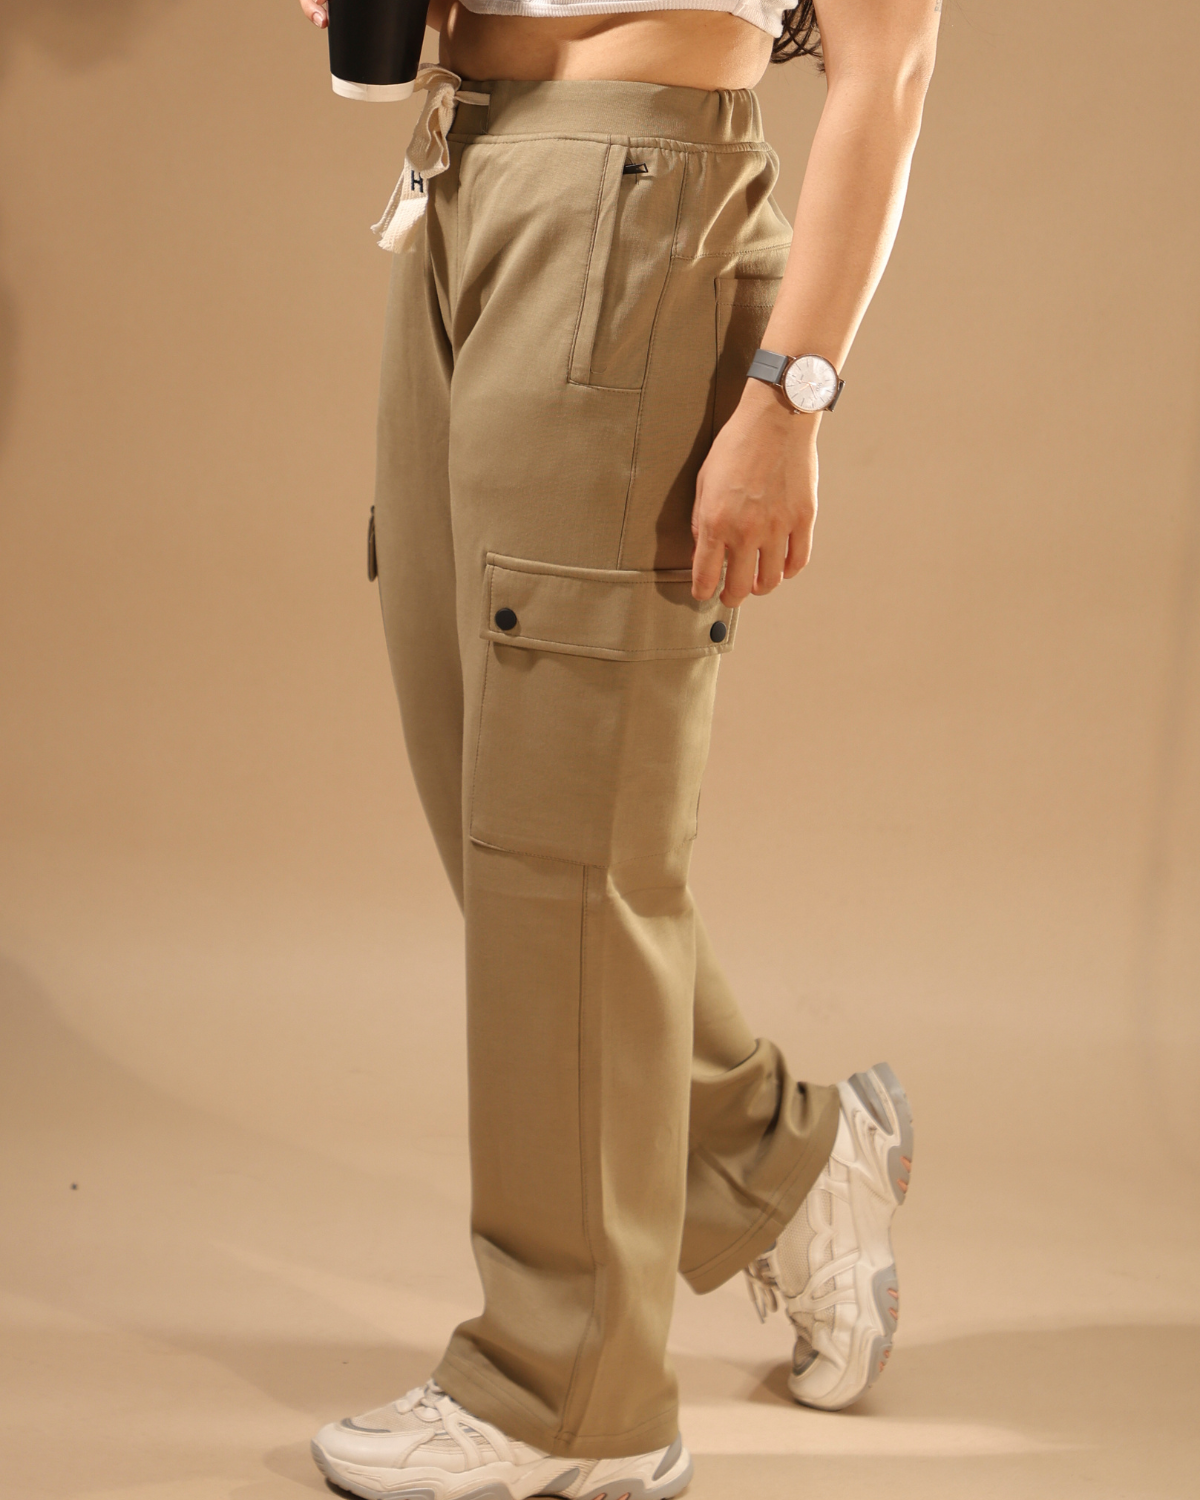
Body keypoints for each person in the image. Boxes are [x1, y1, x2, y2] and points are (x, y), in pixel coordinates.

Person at [296, 2, 937, 1496]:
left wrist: (792, 395)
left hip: (638, 201)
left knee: (564, 831)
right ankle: (779, 1161)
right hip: (465, 168)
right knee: (505, 808)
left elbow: (891, 64)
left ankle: (571, 1402)